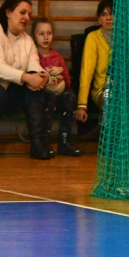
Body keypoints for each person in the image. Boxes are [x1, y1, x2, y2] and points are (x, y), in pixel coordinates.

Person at [0, 0, 50, 159]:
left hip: (11, 88)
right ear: (8, 12)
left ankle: (37, 144)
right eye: (22, 12)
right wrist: (27, 78)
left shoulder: (27, 40)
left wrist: (41, 78)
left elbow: (34, 65)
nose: (27, 18)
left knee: (36, 90)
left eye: (29, 14)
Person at [31, 17, 81, 156]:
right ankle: (44, 141)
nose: (46, 37)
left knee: (69, 97)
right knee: (50, 100)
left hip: (59, 90)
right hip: (43, 93)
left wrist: (61, 72)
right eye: (41, 34)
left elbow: (68, 83)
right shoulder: (33, 55)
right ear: (34, 36)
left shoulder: (57, 57)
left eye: (49, 33)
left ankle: (64, 141)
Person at [76, 0, 114, 133]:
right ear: (99, 20)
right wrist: (82, 105)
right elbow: (86, 73)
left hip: (124, 88)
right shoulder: (93, 38)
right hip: (103, 90)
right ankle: (109, 140)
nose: (109, 18)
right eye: (104, 14)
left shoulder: (125, 38)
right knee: (113, 99)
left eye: (112, 13)